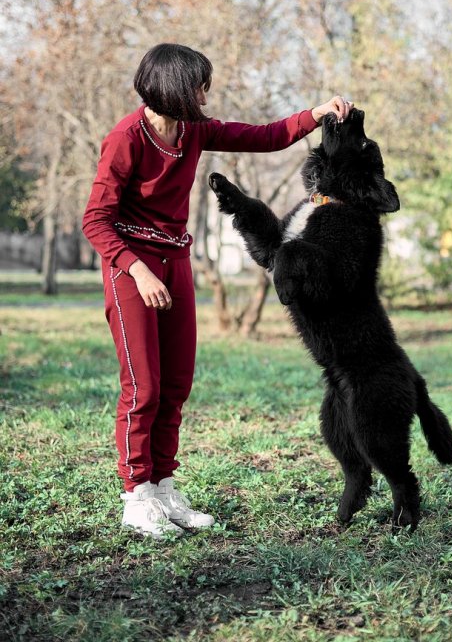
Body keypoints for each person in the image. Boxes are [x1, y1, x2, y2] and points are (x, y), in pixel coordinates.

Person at [82, 42, 353, 538]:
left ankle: (164, 489)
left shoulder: (194, 131)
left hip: (175, 261)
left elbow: (266, 137)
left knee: (176, 384)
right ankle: (136, 496)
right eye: (199, 87)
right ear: (176, 90)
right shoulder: (125, 139)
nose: (206, 96)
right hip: (132, 269)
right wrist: (138, 271)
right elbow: (96, 220)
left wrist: (315, 115)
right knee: (143, 387)